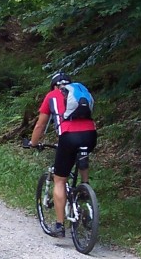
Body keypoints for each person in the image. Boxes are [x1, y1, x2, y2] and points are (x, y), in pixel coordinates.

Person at [22, 71, 97, 238]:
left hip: (69, 136)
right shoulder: (79, 92)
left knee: (60, 179)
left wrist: (33, 143)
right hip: (91, 135)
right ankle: (85, 187)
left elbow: (40, 126)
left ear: (54, 85)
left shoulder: (52, 96)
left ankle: (59, 224)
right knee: (83, 153)